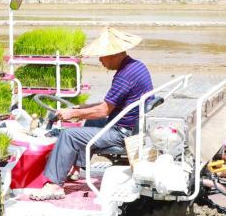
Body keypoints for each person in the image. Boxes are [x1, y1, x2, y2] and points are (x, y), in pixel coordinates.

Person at [30, 28, 153, 200]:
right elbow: (110, 105)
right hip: (131, 127)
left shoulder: (124, 76)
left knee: (68, 135)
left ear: (115, 53)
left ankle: (54, 185)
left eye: (102, 56)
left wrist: (73, 112)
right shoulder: (136, 67)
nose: (101, 60)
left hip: (121, 133)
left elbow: (103, 111)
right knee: (91, 123)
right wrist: (81, 109)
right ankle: (75, 168)